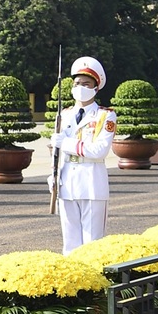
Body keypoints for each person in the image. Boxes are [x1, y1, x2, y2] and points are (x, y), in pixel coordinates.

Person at [53, 57, 118, 254]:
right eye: (77, 83)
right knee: (70, 242)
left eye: (86, 84)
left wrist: (66, 143)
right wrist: (53, 175)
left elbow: (99, 151)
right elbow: (56, 151)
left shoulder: (104, 116)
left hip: (91, 182)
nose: (80, 87)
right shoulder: (64, 115)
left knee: (92, 243)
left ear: (96, 88)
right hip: (67, 181)